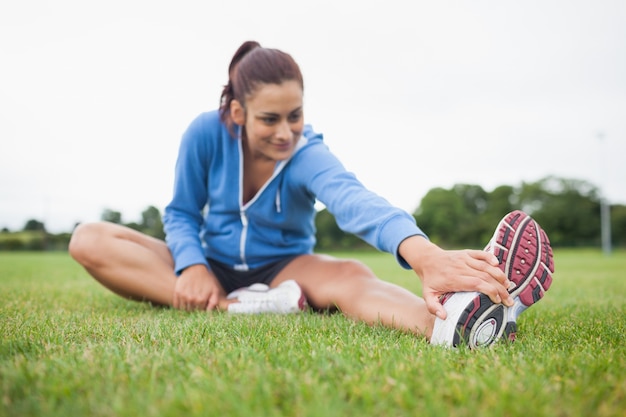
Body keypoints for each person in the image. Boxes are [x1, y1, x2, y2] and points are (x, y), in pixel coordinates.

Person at [69, 41, 554, 348]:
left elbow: (353, 200)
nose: (286, 133)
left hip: (284, 268)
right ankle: (234, 304)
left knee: (348, 274)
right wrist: (192, 265)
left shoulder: (306, 153)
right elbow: (179, 212)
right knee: (89, 238)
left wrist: (422, 253)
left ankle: (451, 325)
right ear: (237, 113)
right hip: (209, 262)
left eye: (295, 115)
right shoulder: (203, 134)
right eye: (269, 119)